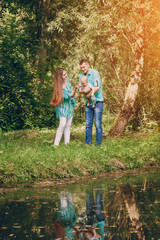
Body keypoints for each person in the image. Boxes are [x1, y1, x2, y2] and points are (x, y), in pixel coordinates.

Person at [79, 59, 103, 145]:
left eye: (84, 67)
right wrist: (82, 91)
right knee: (88, 124)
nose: (82, 69)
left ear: (88, 65)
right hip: (88, 103)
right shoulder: (81, 76)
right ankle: (87, 142)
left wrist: (88, 93)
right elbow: (81, 89)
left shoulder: (95, 73)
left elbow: (97, 87)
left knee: (97, 124)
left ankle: (98, 143)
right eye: (81, 67)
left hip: (98, 102)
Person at [50, 68, 77, 146]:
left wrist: (74, 94)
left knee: (68, 125)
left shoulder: (67, 81)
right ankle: (56, 144)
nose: (66, 75)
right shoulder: (59, 87)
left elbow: (71, 91)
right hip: (62, 107)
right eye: (64, 74)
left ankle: (67, 143)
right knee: (62, 125)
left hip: (70, 106)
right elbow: (69, 95)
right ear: (60, 77)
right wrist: (75, 90)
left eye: (66, 73)